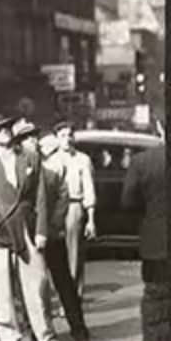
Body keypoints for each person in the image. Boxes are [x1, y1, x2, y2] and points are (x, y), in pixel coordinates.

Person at [0, 111, 58, 341]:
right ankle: (10, 336)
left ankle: (44, 334)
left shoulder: (29, 156)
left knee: (37, 286)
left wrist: (41, 230)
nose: (4, 132)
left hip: (27, 230)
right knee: (3, 290)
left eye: (6, 127)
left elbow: (40, 197)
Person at [37, 130, 91, 341]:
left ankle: (73, 328)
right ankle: (70, 329)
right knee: (52, 284)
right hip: (44, 235)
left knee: (55, 284)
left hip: (46, 236)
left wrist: (50, 225)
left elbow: (62, 199)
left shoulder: (46, 175)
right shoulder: (38, 175)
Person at [121, 141, 168, 341]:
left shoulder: (143, 161)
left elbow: (128, 202)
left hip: (158, 244)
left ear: (159, 127)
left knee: (156, 304)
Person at [54, 121, 97, 299]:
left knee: (74, 255)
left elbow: (89, 189)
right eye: (62, 135)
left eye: (69, 135)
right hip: (55, 209)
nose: (67, 139)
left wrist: (91, 219)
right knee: (56, 255)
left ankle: (73, 298)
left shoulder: (82, 160)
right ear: (56, 138)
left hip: (74, 206)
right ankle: (61, 296)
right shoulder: (51, 160)